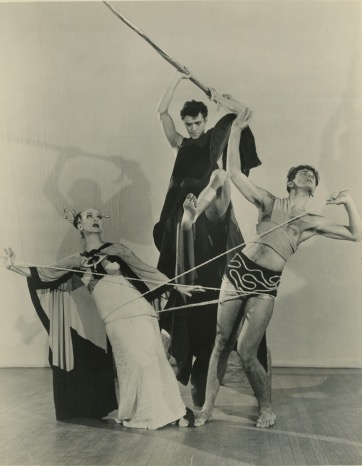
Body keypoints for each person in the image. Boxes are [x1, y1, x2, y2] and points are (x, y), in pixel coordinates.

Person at [195, 109, 362, 428]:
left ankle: (266, 407)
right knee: (221, 341)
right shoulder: (270, 202)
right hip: (238, 271)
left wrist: (349, 202)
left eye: (313, 177)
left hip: (265, 285)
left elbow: (356, 234)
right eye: (303, 173)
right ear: (291, 182)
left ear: (313, 189)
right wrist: (237, 131)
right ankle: (206, 408)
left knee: (246, 352)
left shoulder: (312, 222)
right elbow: (233, 172)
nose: (309, 176)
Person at [4, 208, 202, 429]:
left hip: (139, 308)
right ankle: (139, 411)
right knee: (132, 363)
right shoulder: (76, 261)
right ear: (80, 225)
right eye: (90, 216)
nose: (96, 219)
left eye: (99, 216)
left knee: (153, 359)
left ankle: (171, 412)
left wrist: (176, 287)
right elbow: (46, 273)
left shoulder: (117, 249)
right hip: (113, 317)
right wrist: (13, 266)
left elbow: (145, 270)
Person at [154, 70, 264, 407]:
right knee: (176, 240)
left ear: (205, 119)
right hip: (178, 205)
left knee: (209, 229)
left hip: (204, 202)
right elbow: (162, 112)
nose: (193, 128)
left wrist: (222, 99)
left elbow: (243, 115)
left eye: (197, 122)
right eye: (189, 123)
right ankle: (177, 299)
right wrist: (176, 79)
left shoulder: (215, 137)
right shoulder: (180, 142)